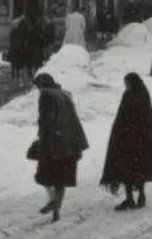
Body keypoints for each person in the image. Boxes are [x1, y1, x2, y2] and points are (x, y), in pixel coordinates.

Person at [100, 73, 152, 211]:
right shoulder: (143, 94)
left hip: (128, 139)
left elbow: (122, 116)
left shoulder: (129, 95)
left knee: (127, 170)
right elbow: (148, 116)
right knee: (139, 169)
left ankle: (130, 198)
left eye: (127, 83)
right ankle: (141, 196)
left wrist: (118, 136)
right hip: (141, 139)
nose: (126, 85)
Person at [33, 73, 89, 223]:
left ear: (42, 84)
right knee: (60, 180)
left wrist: (43, 140)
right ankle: (56, 209)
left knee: (44, 176)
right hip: (70, 144)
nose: (37, 89)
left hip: (54, 143)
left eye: (37, 86)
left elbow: (47, 120)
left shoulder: (46, 95)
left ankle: (53, 201)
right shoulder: (64, 94)